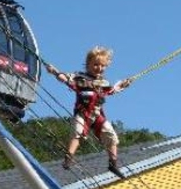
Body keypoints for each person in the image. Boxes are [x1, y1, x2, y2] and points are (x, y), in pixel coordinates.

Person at [46, 46, 132, 178]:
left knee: (111, 136)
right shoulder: (80, 77)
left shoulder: (103, 83)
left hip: (96, 114)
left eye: (102, 66)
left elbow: (112, 90)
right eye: (96, 65)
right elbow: (65, 78)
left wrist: (123, 84)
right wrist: (54, 72)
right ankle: (68, 157)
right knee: (78, 132)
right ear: (88, 65)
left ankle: (113, 164)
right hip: (83, 112)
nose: (99, 68)